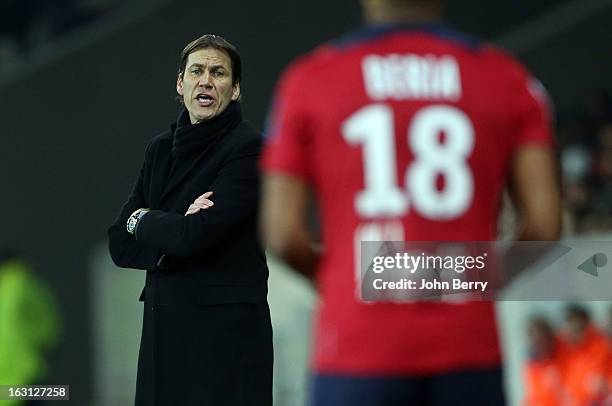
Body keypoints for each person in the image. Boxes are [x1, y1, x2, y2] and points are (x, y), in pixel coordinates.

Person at [260, 0, 561, 404]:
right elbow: (544, 225)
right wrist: (470, 279)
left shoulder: (311, 79)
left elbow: (281, 234)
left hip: (354, 351)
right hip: (467, 347)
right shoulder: (503, 75)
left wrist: (338, 280)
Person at [107, 34, 272, 406]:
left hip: (224, 341)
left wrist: (146, 219)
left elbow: (195, 236)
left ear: (235, 90)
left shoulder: (248, 148)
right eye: (196, 71)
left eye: (219, 73)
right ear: (180, 84)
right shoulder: (159, 149)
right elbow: (119, 241)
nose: (206, 81)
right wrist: (173, 225)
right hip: (163, 334)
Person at [523, 317, 569, 406]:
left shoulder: (567, 353)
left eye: (543, 339)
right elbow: (534, 397)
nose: (541, 345)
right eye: (536, 342)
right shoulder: (532, 367)